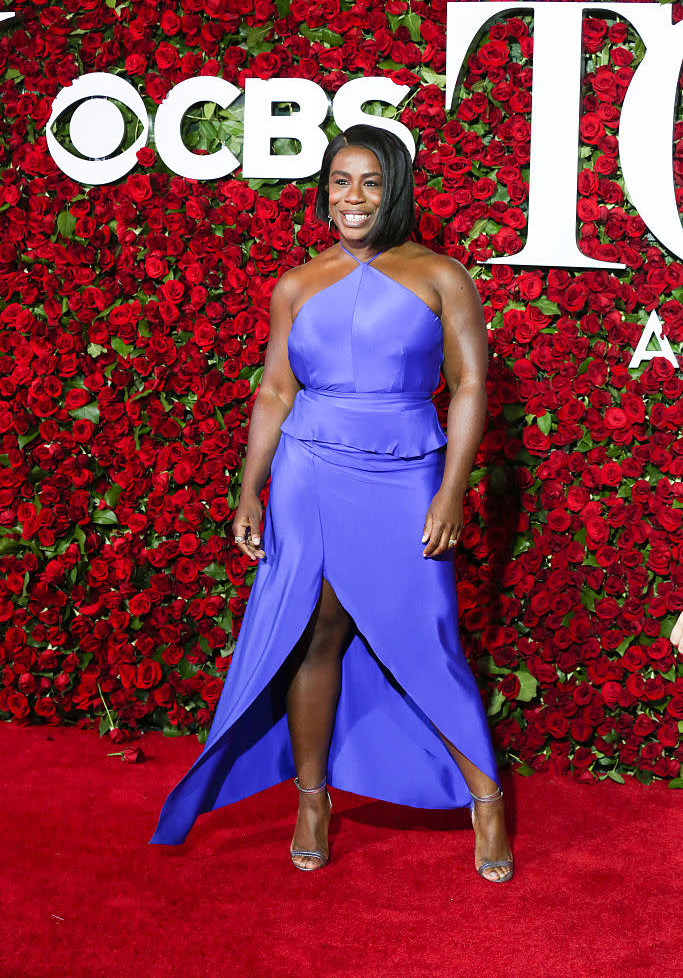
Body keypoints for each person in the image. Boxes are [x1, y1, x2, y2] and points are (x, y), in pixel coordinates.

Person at [149, 124, 513, 883]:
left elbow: (472, 385)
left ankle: (485, 799)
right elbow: (275, 390)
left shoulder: (441, 275)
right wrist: (251, 486)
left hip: (406, 471)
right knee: (314, 635)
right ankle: (311, 801)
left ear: (397, 190)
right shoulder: (296, 283)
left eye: (371, 182)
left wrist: (451, 489)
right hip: (310, 471)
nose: (353, 198)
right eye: (340, 182)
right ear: (323, 191)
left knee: (428, 635)